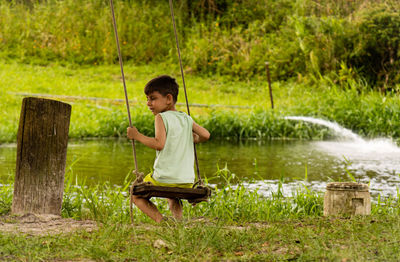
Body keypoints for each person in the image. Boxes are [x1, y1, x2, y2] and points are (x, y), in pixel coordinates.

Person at [127, 75, 210, 223]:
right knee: (173, 195)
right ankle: (178, 222)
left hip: (163, 179)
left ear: (168, 99)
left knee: (135, 194)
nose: (148, 103)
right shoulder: (186, 118)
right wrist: (194, 139)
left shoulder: (161, 117)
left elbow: (159, 144)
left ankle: (161, 221)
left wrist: (137, 136)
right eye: (147, 99)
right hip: (186, 181)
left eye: (153, 98)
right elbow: (205, 134)